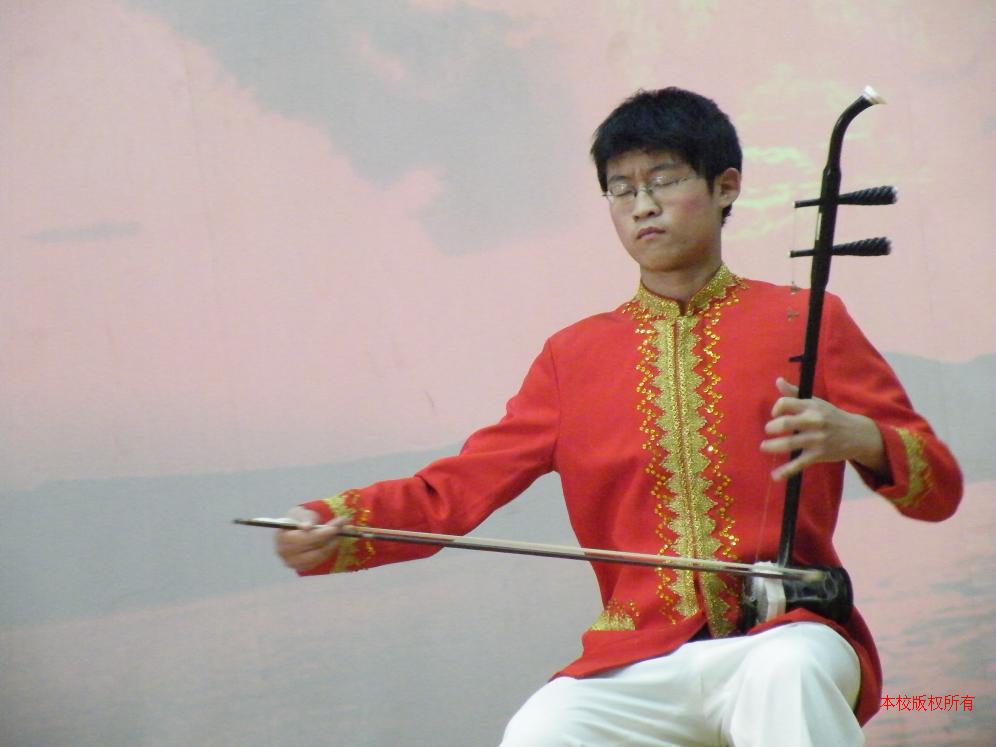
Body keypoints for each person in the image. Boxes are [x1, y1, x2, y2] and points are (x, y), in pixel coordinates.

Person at [274, 88, 962, 746]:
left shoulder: (807, 319)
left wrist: (865, 438)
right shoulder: (571, 357)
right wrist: (336, 524)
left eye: (663, 180)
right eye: (621, 188)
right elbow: (453, 490)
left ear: (725, 187)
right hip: (640, 653)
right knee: (543, 730)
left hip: (790, 633)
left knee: (787, 675)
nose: (643, 205)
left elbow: (941, 491)